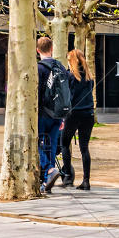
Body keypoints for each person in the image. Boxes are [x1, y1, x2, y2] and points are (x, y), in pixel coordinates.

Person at [36, 36, 71, 194]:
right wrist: (63, 116)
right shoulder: (61, 67)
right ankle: (46, 182)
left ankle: (49, 170)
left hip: (42, 113)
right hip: (58, 114)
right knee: (51, 146)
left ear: (37, 50)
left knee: (36, 143)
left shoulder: (38, 68)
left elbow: (37, 92)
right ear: (52, 49)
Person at [59, 49, 96, 190]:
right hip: (88, 114)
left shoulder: (70, 77)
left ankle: (68, 177)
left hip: (73, 114)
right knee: (84, 148)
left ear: (72, 61)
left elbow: (66, 96)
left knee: (64, 143)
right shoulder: (89, 77)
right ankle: (86, 181)